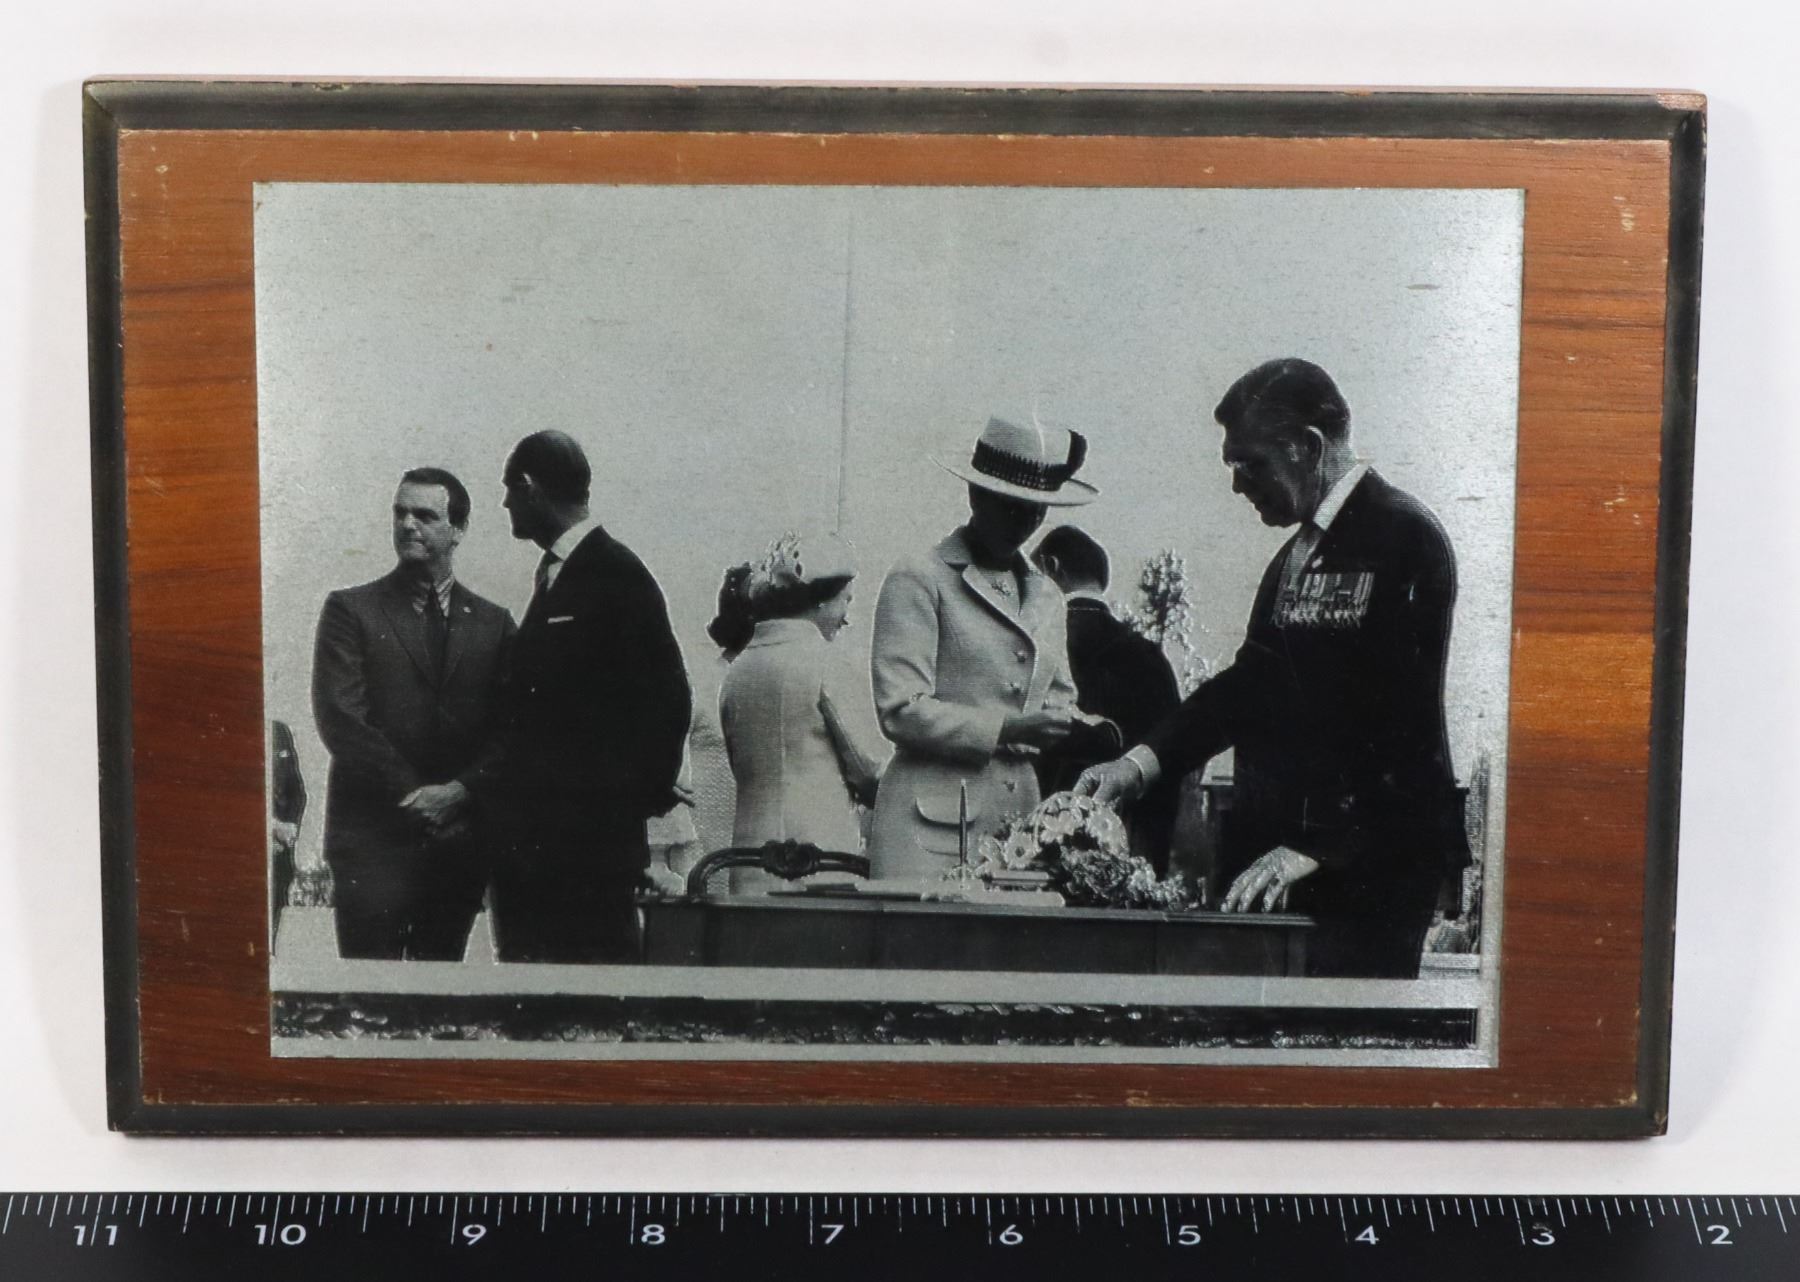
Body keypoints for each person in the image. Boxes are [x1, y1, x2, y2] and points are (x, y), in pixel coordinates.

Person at [1076, 358, 1470, 978]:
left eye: (1249, 463)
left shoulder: (1404, 536)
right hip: (1287, 868)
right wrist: (1137, 765)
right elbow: (1247, 689)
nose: (1238, 485)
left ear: (1308, 447)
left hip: (1366, 872)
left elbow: (1403, 726)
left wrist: (1317, 847)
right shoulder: (1293, 557)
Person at [867, 415, 1116, 881]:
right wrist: (1007, 728)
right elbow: (900, 709)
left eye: (1038, 509)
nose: (1027, 522)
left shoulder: (1046, 594)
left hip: (1018, 822)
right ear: (975, 494)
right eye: (1012, 506)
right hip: (928, 826)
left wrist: (1080, 726)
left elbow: (1058, 696)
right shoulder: (919, 577)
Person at [478, 430, 693, 963]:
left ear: (529, 487)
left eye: (508, 490)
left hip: (585, 859)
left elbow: (668, 700)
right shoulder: (565, 574)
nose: (505, 504)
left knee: (591, 993)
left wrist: (617, 811)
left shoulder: (617, 573)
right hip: (541, 853)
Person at [310, 468, 516, 961]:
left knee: (437, 991)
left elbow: (512, 730)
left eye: (424, 515)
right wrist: (415, 797)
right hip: (371, 842)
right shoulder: (350, 610)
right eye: (400, 513)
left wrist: (459, 793)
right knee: (370, 992)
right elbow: (342, 718)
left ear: (458, 529)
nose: (407, 525)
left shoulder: (494, 624)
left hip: (458, 845)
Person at [709, 531, 888, 890]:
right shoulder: (826, 663)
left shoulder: (738, 669)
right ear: (821, 600)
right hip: (818, 859)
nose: (845, 617)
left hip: (748, 861)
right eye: (846, 601)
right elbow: (869, 770)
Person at [1031, 526, 1183, 875]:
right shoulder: (1149, 655)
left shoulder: (1037, 646)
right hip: (1127, 850)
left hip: (1040, 843)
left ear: (1051, 567)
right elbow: (1170, 759)